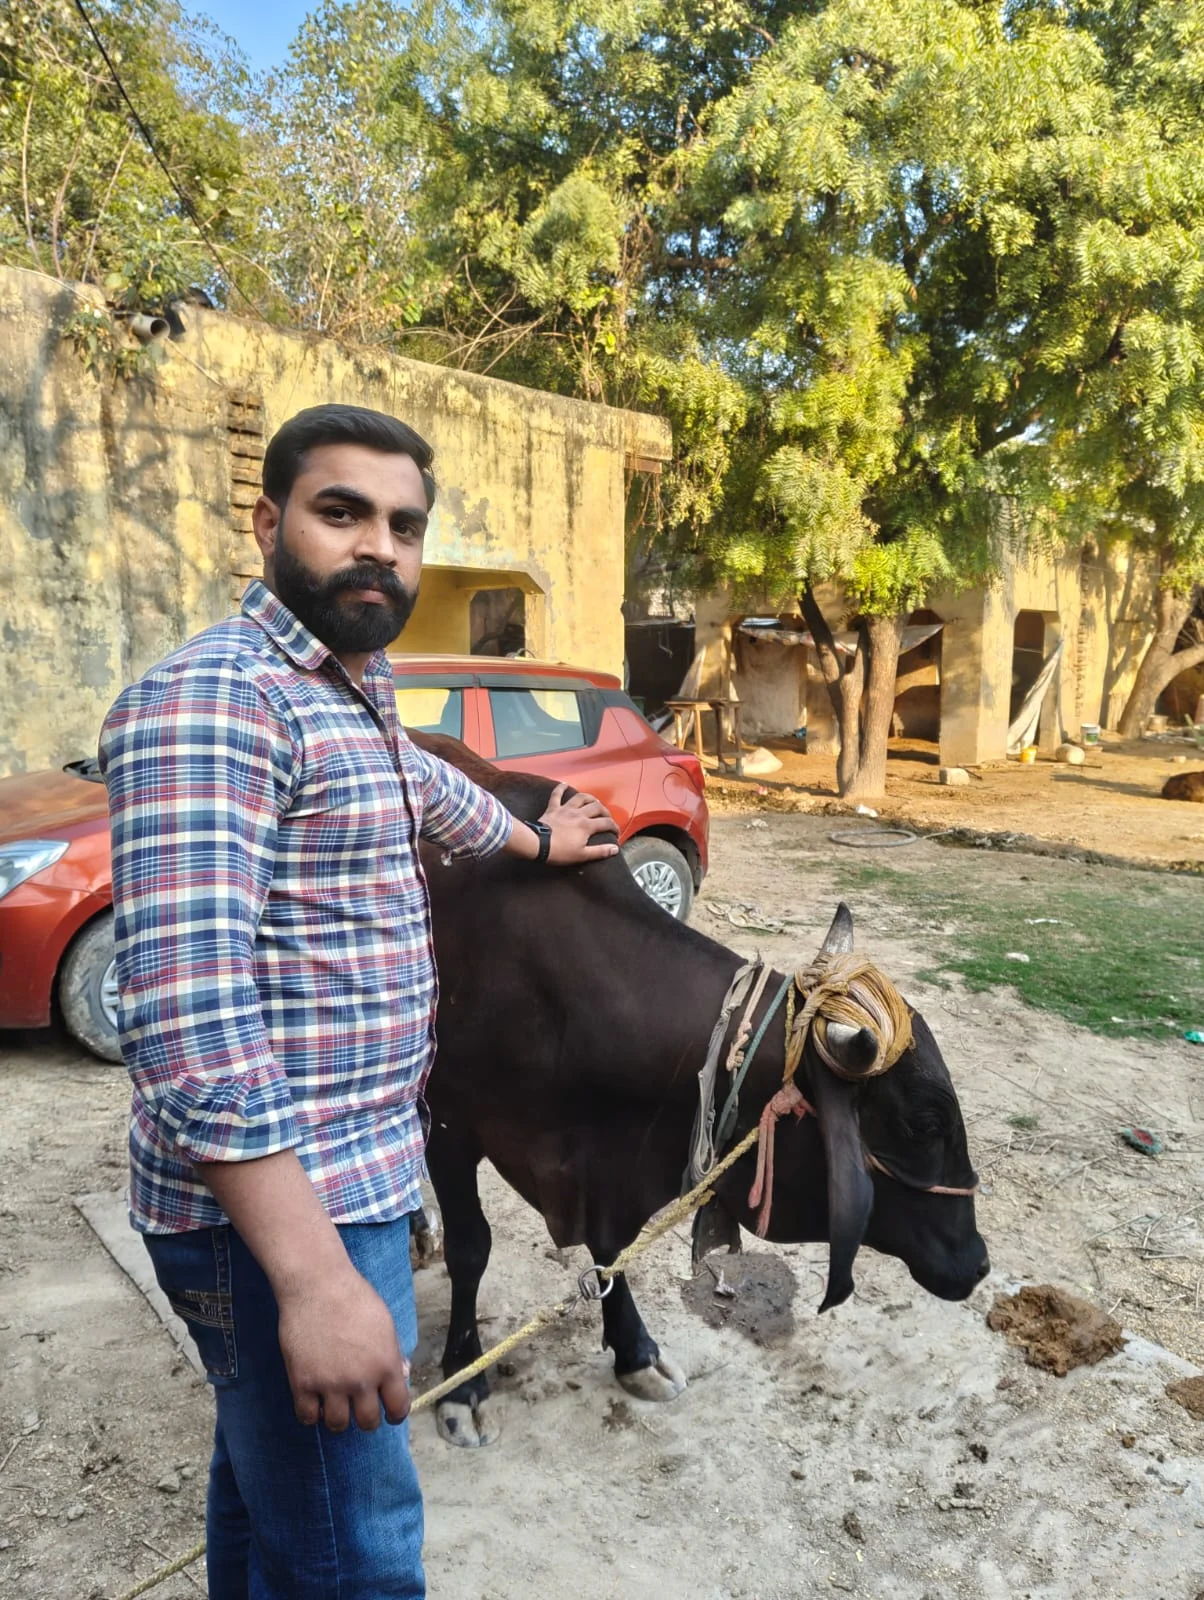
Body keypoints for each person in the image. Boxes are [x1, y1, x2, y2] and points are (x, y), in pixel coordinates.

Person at [99, 404, 618, 1599]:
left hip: (349, 1180)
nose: (380, 545)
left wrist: (537, 841)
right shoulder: (218, 701)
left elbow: (422, 787)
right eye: (342, 512)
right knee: (360, 1561)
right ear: (267, 522)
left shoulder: (351, 689)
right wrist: (315, 1280)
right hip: (288, 1212)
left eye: (405, 525)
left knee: (268, 1493)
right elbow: (186, 1023)